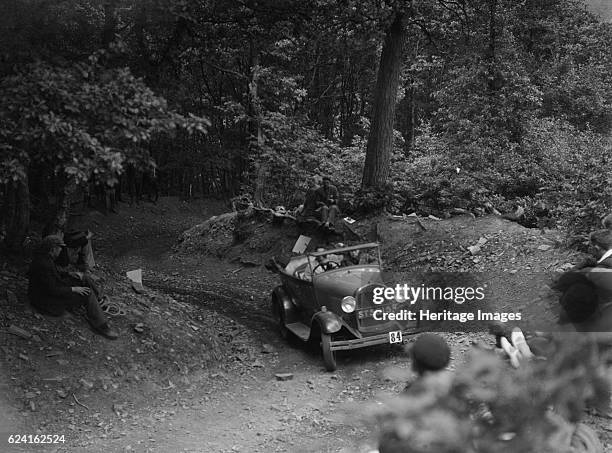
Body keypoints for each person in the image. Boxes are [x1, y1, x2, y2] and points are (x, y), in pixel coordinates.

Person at [28, 235, 118, 340]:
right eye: (59, 248)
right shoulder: (44, 264)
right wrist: (74, 289)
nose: (61, 251)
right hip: (46, 302)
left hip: (48, 293)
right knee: (87, 294)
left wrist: (69, 273)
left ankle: (98, 300)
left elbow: (52, 276)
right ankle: (102, 326)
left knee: (82, 277)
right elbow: (53, 289)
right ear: (52, 249)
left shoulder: (44, 258)